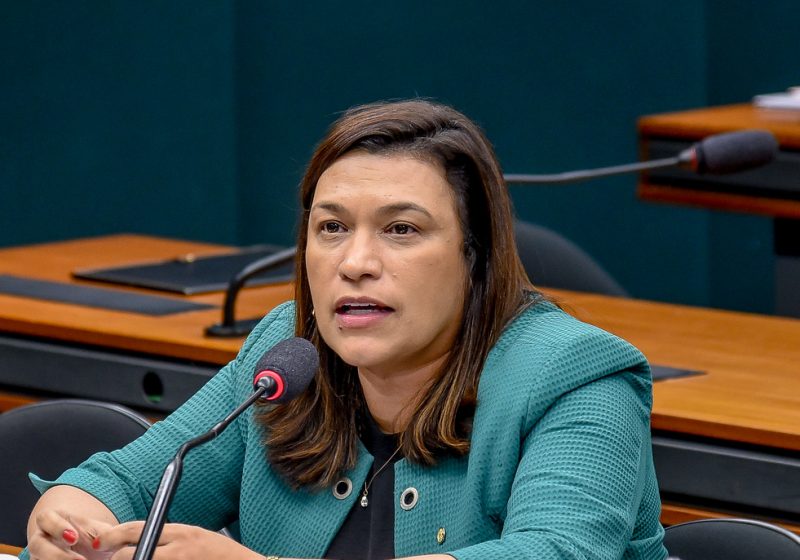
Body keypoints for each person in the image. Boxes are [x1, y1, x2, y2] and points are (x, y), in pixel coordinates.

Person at [24, 99, 667, 560]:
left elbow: (554, 551)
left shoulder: (579, 378)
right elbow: (128, 483)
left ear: (476, 255)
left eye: (401, 230)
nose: (355, 263)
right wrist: (74, 524)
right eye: (332, 227)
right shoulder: (288, 355)